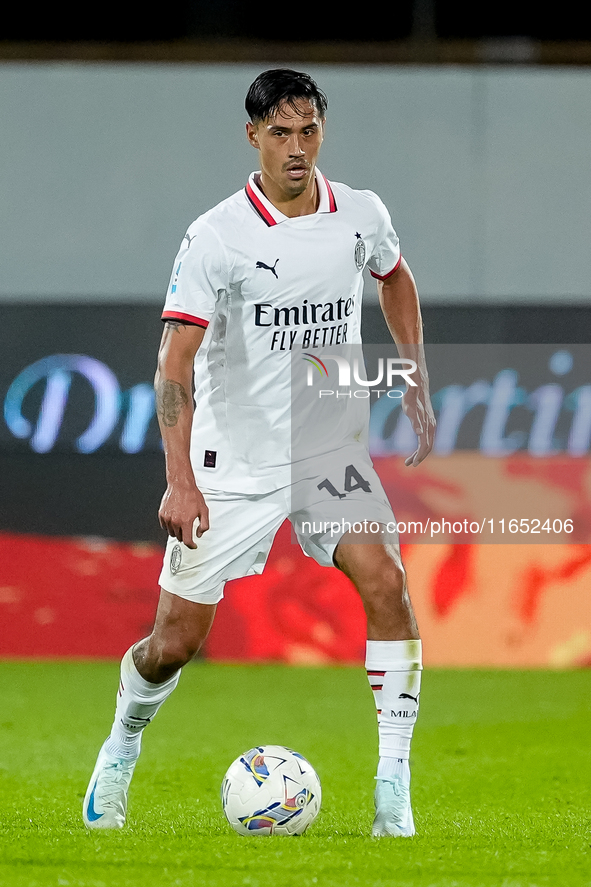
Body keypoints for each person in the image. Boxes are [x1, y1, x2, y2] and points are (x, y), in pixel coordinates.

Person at [82, 68, 435, 837]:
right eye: (280, 132)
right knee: (173, 643)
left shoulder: (361, 214)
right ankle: (121, 743)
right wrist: (179, 481)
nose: (297, 147)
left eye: (308, 130)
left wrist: (412, 373)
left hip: (326, 451)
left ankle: (392, 786)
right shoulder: (216, 237)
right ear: (253, 137)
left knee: (385, 581)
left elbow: (394, 275)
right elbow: (173, 364)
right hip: (229, 467)